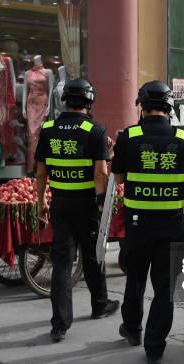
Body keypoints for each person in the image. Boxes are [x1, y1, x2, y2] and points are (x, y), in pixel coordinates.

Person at [111, 81, 184, 364]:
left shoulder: (128, 137)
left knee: (135, 279)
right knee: (164, 288)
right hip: (172, 225)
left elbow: (119, 179)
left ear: (142, 105)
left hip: (137, 226)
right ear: (168, 107)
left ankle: (133, 330)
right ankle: (154, 349)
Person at [35, 78, 120, 343]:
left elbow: (40, 172)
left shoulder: (48, 128)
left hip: (60, 203)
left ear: (65, 100)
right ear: (89, 101)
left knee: (62, 263)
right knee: (93, 255)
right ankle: (99, 304)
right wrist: (101, 201)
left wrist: (41, 202)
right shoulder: (93, 130)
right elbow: (100, 173)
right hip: (86, 204)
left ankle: (59, 324)